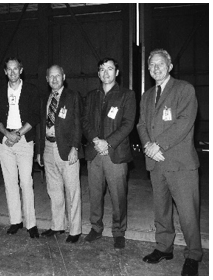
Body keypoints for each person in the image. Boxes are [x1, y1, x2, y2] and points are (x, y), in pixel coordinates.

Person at [135, 49, 201, 276]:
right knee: (161, 210)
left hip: (180, 163)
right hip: (156, 163)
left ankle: (193, 254)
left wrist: (158, 145)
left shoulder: (184, 89)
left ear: (170, 66)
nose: (155, 68)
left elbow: (184, 122)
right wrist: (148, 147)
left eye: (160, 64)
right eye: (152, 65)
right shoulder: (146, 96)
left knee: (187, 213)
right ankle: (164, 248)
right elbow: (141, 125)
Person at [82, 58, 135, 249]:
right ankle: (96, 228)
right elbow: (85, 121)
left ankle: (119, 231)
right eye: (102, 70)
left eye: (110, 69)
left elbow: (128, 123)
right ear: (98, 74)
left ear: (117, 72)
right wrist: (96, 141)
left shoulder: (126, 95)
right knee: (95, 193)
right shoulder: (91, 96)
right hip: (95, 153)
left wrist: (108, 142)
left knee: (118, 195)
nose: (106, 73)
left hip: (115, 154)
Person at [0, 58, 44, 238]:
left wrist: (18, 134)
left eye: (16, 69)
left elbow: (35, 116)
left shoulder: (31, 90)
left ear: (21, 70)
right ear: (5, 72)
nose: (13, 72)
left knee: (26, 182)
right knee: (10, 182)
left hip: (24, 140)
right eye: (9, 69)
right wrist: (7, 133)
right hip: (5, 141)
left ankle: (31, 223)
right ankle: (15, 221)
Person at [35, 65, 83, 243]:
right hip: (48, 147)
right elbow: (41, 125)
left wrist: (75, 147)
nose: (54, 80)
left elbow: (78, 123)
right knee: (53, 190)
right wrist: (40, 151)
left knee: (72, 190)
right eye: (51, 77)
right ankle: (57, 225)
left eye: (57, 76)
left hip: (67, 149)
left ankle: (75, 230)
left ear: (64, 77)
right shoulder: (45, 98)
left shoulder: (72, 96)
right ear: (47, 79)